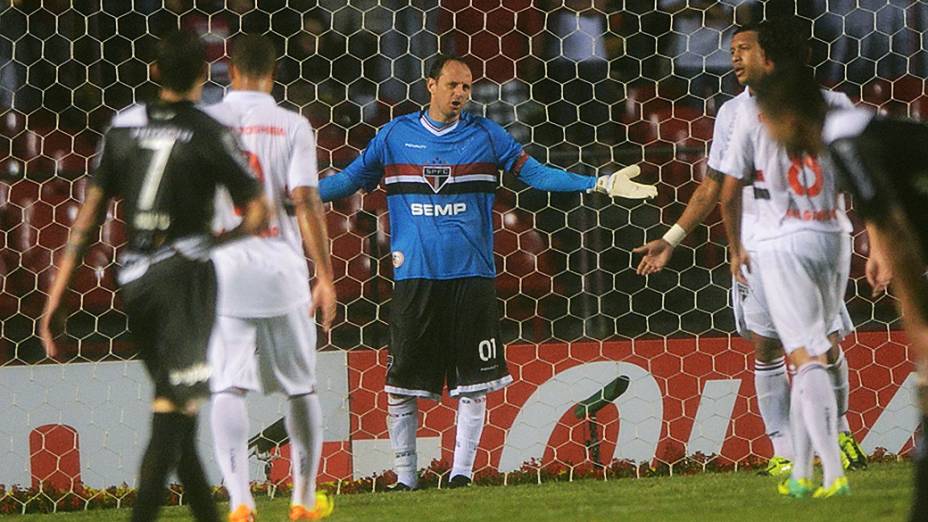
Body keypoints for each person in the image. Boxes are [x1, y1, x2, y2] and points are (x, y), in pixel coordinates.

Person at [319, 54, 656, 490]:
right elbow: (346, 182)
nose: (461, 93)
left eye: (467, 87)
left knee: (473, 385)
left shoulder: (486, 136)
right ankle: (406, 477)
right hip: (414, 278)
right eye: (454, 85)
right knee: (402, 387)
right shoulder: (394, 136)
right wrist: (293, 195)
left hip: (471, 278)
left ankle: (461, 474)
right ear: (431, 85)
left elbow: (535, 174)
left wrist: (598, 183)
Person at [38, 31, 268, 522]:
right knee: (171, 416)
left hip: (135, 280)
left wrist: (54, 303)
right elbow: (257, 210)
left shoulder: (122, 126)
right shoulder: (209, 132)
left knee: (177, 407)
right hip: (183, 280)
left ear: (154, 71)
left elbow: (85, 221)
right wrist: (211, 244)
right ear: (206, 76)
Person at [633, 20, 867, 477]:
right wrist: (673, 239)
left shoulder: (825, 103)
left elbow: (857, 174)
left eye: (744, 49)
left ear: (770, 55)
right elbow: (716, 185)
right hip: (761, 248)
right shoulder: (733, 113)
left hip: (817, 237)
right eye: (732, 49)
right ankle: (781, 447)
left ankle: (839, 433)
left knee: (828, 344)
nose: (735, 58)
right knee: (767, 347)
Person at [751, 67, 923, 519]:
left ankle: (824, 473)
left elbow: (897, 231)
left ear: (788, 115)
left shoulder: (846, 141)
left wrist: (918, 329)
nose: (765, 132)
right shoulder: (846, 134)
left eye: (767, 119)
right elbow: (888, 218)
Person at [203, 34, 336, 522]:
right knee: (300, 387)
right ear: (274, 73)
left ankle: (240, 501)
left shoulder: (207, 122)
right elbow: (304, 200)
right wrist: (325, 275)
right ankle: (302, 501)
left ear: (230, 72)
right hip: (282, 272)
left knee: (227, 388)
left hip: (225, 271)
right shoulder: (292, 124)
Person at [717, 61, 860, 498]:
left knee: (804, 356)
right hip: (833, 236)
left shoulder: (756, 116)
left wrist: (736, 247)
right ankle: (803, 466)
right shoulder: (834, 114)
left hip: (781, 242)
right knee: (817, 346)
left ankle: (830, 471)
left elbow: (726, 192)